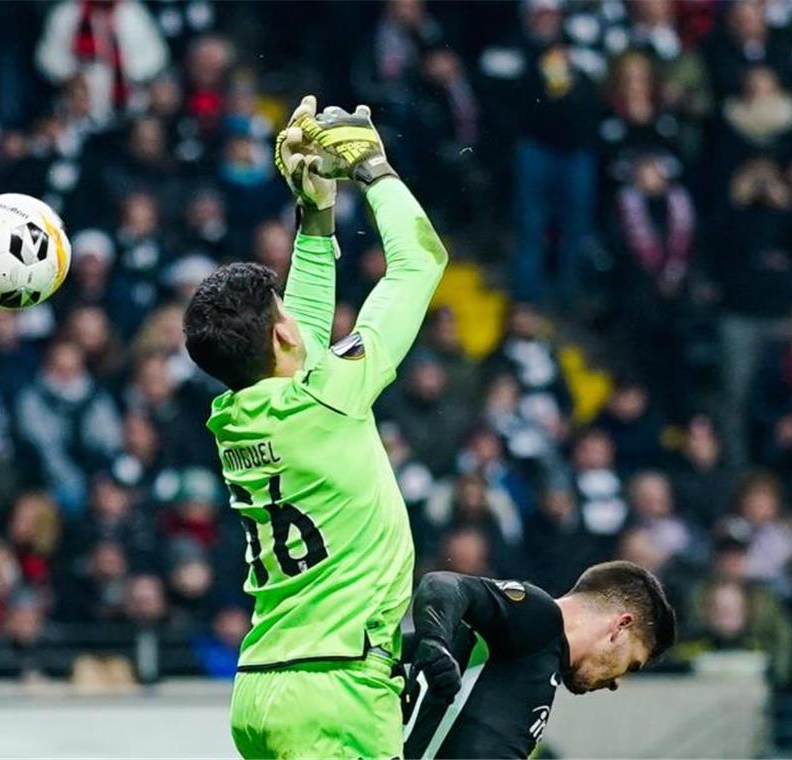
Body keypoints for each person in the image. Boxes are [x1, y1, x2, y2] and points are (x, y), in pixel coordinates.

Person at [182, 96, 448, 759]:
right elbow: (422, 263)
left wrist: (315, 212)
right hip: (339, 690)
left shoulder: (236, 414)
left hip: (264, 685)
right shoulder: (328, 396)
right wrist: (375, 170)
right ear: (281, 332)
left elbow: (294, 334)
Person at [402, 561, 677, 759]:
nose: (616, 683)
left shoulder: (543, 662)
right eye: (630, 665)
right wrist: (435, 642)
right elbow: (444, 584)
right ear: (621, 626)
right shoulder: (540, 619)